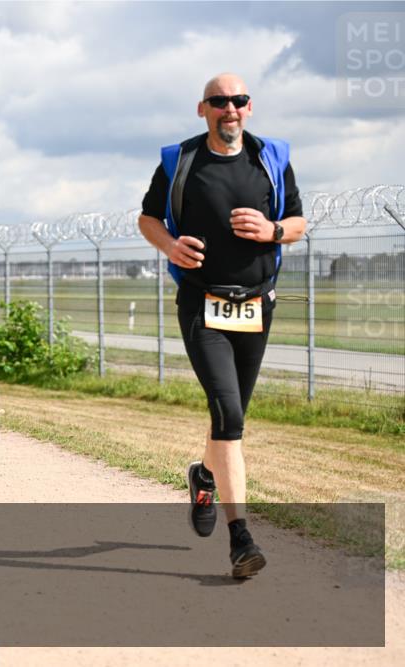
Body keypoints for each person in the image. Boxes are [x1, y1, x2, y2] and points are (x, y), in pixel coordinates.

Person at [138, 73, 305, 579]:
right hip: (201, 304)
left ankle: (205, 476)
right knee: (229, 417)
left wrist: (272, 229)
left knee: (229, 420)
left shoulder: (271, 159)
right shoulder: (181, 161)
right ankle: (241, 539)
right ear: (203, 109)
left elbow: (298, 223)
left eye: (238, 100)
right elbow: (147, 218)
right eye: (219, 101)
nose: (229, 108)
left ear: (249, 108)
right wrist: (170, 246)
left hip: (256, 306)